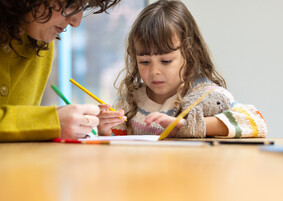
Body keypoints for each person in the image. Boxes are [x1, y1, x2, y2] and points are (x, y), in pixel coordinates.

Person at [97, 0, 268, 138]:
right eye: (144, 61)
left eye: (165, 61)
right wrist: (105, 131)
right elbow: (117, 142)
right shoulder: (130, 99)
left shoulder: (207, 95)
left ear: (190, 52)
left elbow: (256, 122)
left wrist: (188, 126)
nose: (154, 71)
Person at [0, 0, 122, 142]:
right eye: (71, 5)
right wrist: (48, 122)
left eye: (82, 7)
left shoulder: (41, 40)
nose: (76, 22)